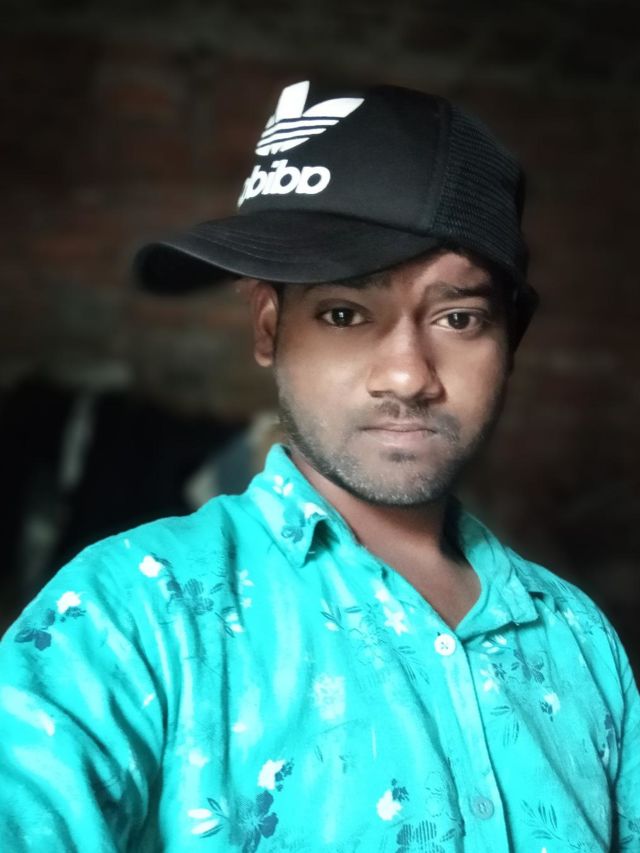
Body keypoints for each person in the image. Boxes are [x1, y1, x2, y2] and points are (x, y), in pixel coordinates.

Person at [0, 80, 638, 852]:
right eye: (344, 313)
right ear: (269, 327)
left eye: (458, 317)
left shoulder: (580, 640)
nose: (407, 375)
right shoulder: (130, 613)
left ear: (509, 341)